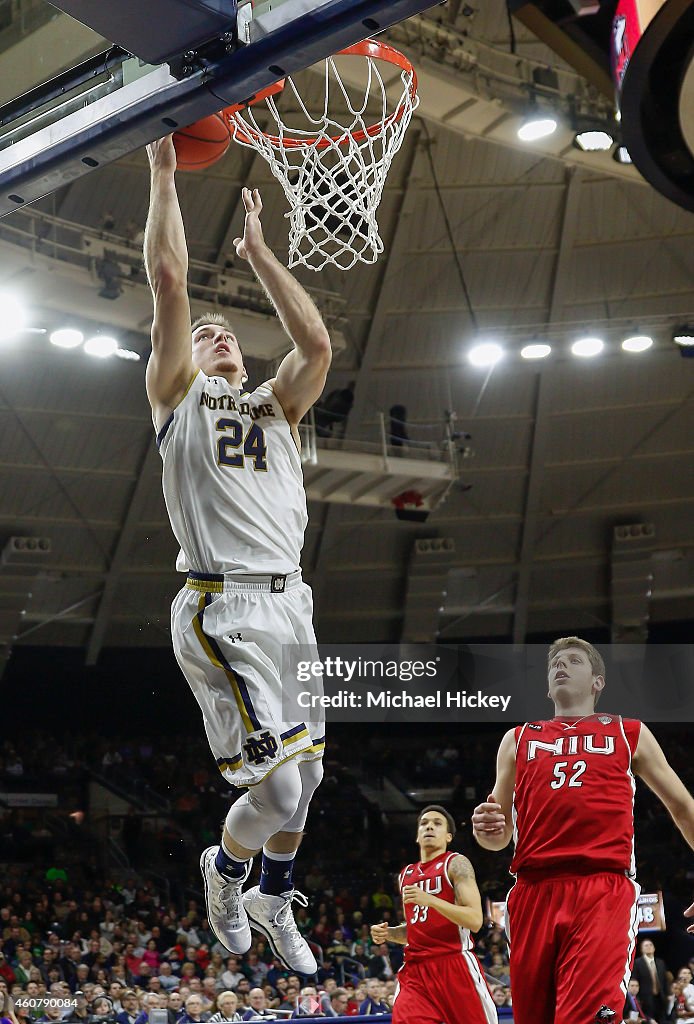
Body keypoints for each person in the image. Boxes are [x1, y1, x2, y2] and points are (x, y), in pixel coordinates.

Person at [144, 137, 331, 975]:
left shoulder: (276, 408)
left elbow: (317, 344)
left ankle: (271, 890)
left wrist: (260, 254)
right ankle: (224, 871)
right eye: (205, 334)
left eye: (227, 333)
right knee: (282, 789)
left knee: (311, 780)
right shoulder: (177, 397)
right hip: (223, 605)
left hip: (291, 603)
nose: (215, 334)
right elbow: (171, 282)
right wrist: (162, 170)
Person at [472, 636, 694, 1024]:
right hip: (531, 891)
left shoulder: (629, 732)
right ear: (546, 686)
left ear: (598, 681)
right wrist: (486, 829)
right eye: (555, 662)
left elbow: (682, 806)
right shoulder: (517, 739)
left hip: (600, 888)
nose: (561, 665)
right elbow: (499, 834)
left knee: (586, 1017)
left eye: (574, 661)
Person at [371, 805, 496, 1024]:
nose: (429, 826)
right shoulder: (406, 875)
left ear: (448, 836)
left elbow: (475, 920)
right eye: (424, 823)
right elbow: (417, 929)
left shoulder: (456, 863)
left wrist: (432, 900)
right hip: (415, 971)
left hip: (454, 964)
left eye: (437, 824)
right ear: (417, 836)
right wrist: (389, 933)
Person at [632, 940, 669, 1023]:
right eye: (646, 945)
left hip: (660, 998)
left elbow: (665, 981)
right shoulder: (637, 963)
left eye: (650, 945)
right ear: (641, 949)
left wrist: (667, 995)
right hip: (645, 999)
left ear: (654, 948)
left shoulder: (660, 962)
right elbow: (634, 981)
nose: (649, 947)